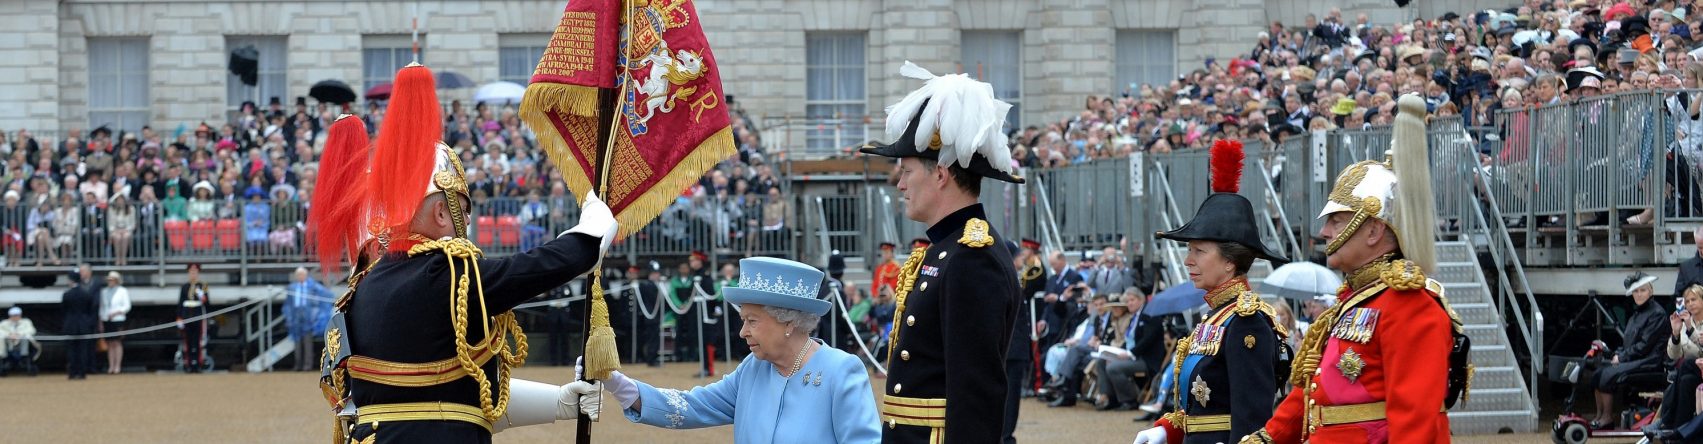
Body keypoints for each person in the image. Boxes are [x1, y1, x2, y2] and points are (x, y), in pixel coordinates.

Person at [308, 66, 607, 443]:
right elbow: (539, 266)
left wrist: (559, 403)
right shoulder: (446, 272)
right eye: (462, 209)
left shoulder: (359, 293)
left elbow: (448, 399)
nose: (468, 219)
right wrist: (593, 232)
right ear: (439, 212)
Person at [1240, 94, 1466, 444]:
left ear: (1374, 231)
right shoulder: (1355, 300)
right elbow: (1316, 392)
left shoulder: (1410, 305)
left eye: (1337, 220)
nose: (1325, 232)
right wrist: (1266, 439)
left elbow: (1415, 424)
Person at [858, 62, 1023, 444]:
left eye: (906, 172)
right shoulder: (946, 249)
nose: (899, 185)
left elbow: (976, 395)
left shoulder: (972, 256)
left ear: (941, 173)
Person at [603, 257, 881, 443]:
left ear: (788, 321)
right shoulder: (753, 368)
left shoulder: (841, 370)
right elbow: (692, 406)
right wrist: (624, 388)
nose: (743, 332)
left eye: (752, 321)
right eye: (743, 320)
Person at [1133, 139, 1288, 444]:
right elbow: (1202, 409)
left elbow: (1250, 419)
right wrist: (1166, 430)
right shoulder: (1216, 316)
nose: (1188, 260)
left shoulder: (1247, 321)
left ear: (1230, 262)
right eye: (1189, 249)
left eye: (1199, 251)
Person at [1588, 271, 1671, 428]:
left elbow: (1644, 346)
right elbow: (1630, 343)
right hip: (1637, 358)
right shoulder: (1637, 314)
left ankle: (1607, 418)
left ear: (1651, 291)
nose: (1639, 294)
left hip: (1651, 361)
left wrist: (1622, 357)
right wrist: (1617, 353)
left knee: (1608, 374)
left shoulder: (1657, 314)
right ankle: (1599, 416)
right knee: (1598, 373)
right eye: (1635, 291)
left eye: (1643, 290)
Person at [1100, 288, 1164, 411]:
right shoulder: (1135, 316)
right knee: (1102, 361)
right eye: (1127, 301)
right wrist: (1116, 352)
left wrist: (1130, 353)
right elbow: (1130, 338)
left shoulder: (1150, 314)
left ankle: (1129, 400)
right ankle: (1111, 398)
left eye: (1132, 300)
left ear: (1141, 300)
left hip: (1146, 359)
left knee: (1113, 368)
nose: (1129, 303)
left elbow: (1147, 340)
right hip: (1133, 355)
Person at [1653, 285, 1703, 440]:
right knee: (1686, 379)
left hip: (1699, 368)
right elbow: (1673, 355)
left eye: (1694, 299)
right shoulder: (1683, 322)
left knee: (1687, 365)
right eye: (1687, 301)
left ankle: (1667, 422)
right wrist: (1675, 334)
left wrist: (1690, 329)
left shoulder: (1689, 324)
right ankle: (1679, 429)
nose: (1690, 304)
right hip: (1693, 373)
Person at [285, 267, 334, 371]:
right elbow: (288, 304)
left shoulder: (312, 287)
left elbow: (325, 295)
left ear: (306, 276)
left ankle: (308, 365)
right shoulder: (292, 288)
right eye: (298, 275)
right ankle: (298, 365)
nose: (300, 277)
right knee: (297, 342)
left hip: (308, 318)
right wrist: (289, 318)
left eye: (302, 275)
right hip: (296, 318)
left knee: (308, 343)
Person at [63, 265, 100, 380]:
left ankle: (73, 371)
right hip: (84, 324)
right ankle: (82, 372)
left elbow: (64, 310)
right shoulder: (86, 294)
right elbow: (91, 308)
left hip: (71, 324)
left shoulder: (67, 295)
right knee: (83, 349)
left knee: (72, 349)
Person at [177, 263, 211, 373]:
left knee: (198, 340)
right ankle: (188, 363)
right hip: (187, 314)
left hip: (197, 314)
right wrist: (179, 317)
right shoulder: (184, 286)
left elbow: (207, 303)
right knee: (187, 340)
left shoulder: (203, 285)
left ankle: (198, 362)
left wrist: (202, 296)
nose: (193, 274)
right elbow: (181, 302)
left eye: (195, 272)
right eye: (191, 272)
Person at [101, 271, 131, 374]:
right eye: (108, 280)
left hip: (118, 319)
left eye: (112, 280)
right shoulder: (104, 291)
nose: (110, 281)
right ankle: (111, 366)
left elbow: (127, 306)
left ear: (116, 280)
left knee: (117, 342)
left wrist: (117, 312)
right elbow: (102, 307)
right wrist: (101, 318)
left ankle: (117, 366)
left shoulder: (123, 291)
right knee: (109, 343)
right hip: (107, 319)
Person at [1, 307, 37, 377]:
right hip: (9, 344)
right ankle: (3, 357)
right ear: (9, 316)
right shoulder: (4, 323)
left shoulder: (26, 322)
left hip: (22, 345)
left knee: (26, 337)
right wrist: (9, 335)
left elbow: (32, 330)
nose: (15, 317)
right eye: (13, 315)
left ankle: (24, 357)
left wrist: (19, 334)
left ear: (20, 315)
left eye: (17, 315)